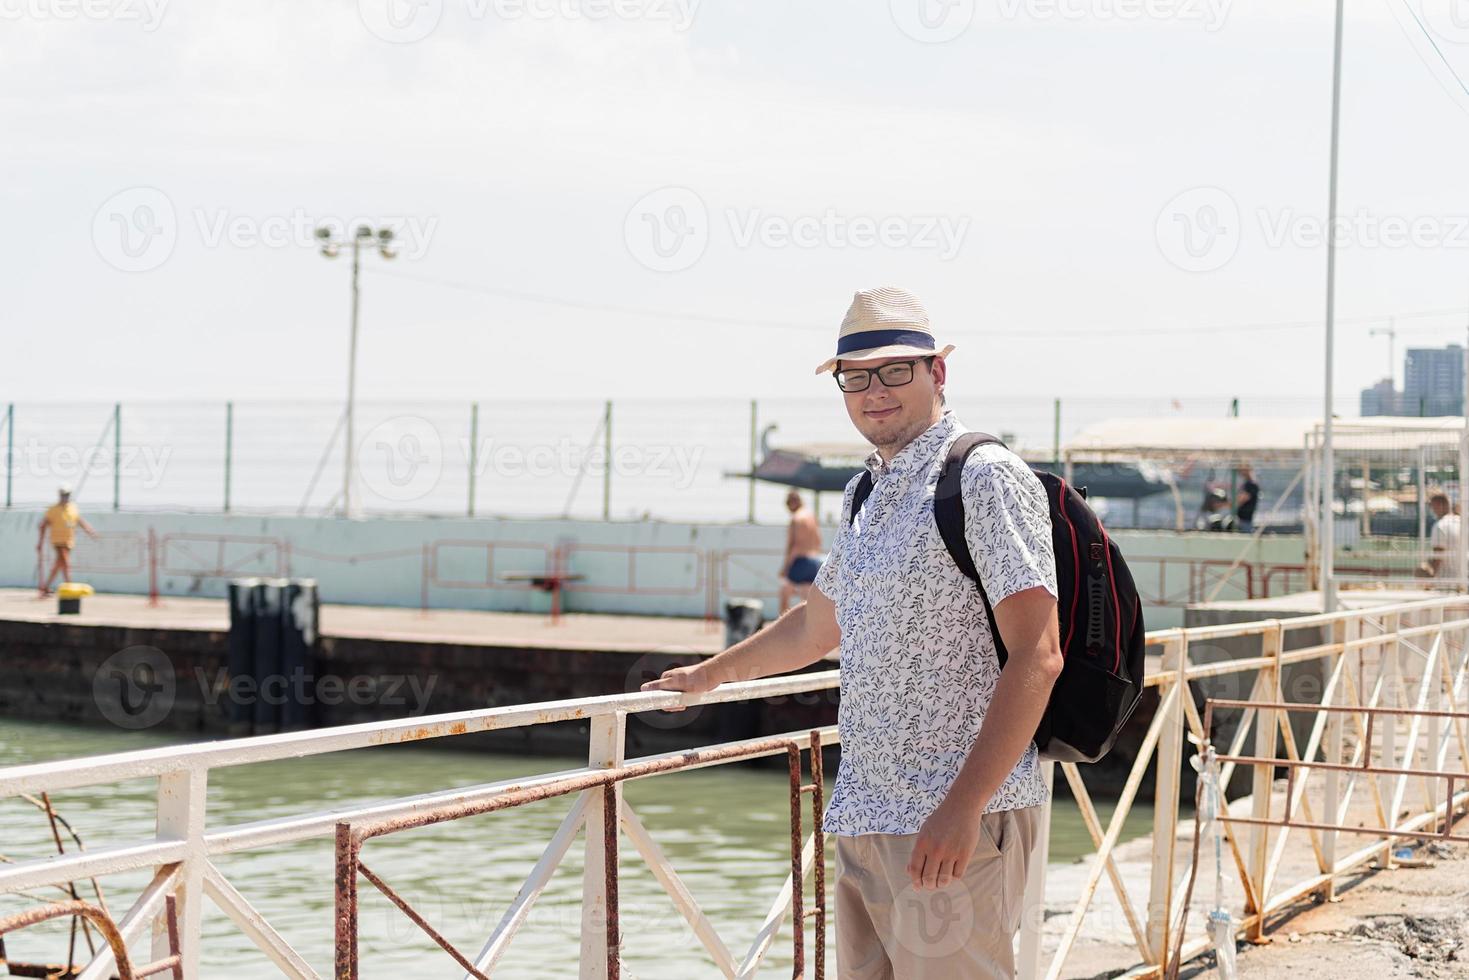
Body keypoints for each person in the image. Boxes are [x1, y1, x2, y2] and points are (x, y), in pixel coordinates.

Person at [643, 286, 1061, 979]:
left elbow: (1036, 656)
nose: (874, 390)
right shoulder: (864, 489)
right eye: (855, 376)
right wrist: (708, 675)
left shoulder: (983, 477)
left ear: (938, 373)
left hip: (951, 819)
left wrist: (961, 808)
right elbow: (816, 625)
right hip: (865, 810)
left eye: (895, 370)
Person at [37, 484, 98, 597]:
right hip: (57, 541)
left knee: (59, 565)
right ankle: (69, 586)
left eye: (67, 495)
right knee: (65, 563)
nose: (65, 497)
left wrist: (90, 531)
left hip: (69, 541)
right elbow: (42, 525)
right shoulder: (53, 509)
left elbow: (79, 521)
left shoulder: (72, 508)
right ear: (60, 495)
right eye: (63, 495)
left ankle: (46, 587)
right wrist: (40, 542)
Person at [778, 489, 824, 613]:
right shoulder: (811, 517)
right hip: (814, 560)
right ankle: (807, 628)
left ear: (792, 503)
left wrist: (785, 568)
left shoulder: (796, 519)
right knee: (806, 596)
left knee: (784, 591)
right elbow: (819, 541)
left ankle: (783, 625)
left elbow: (793, 546)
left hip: (800, 560)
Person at [1428, 491, 1461, 580]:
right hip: (1464, 578)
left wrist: (1431, 577)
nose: (1432, 509)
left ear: (1438, 505)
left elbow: (1438, 555)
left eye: (1432, 506)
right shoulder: (1462, 522)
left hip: (1447, 580)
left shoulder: (1440, 526)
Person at [1235, 465, 1260, 532]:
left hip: (1246, 520)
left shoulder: (1251, 484)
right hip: (1242, 519)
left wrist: (1225, 504)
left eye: (1242, 470)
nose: (1240, 473)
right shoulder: (1246, 484)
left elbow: (1241, 499)